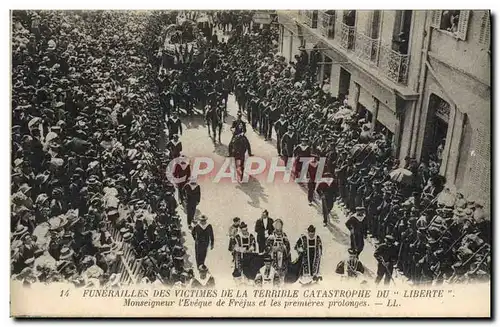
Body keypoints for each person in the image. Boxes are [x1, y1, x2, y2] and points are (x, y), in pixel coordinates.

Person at [265, 219, 290, 284]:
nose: (278, 227)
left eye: (280, 225)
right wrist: (274, 248)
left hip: (283, 260)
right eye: (277, 225)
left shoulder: (284, 236)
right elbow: (267, 248)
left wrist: (284, 248)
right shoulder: (271, 237)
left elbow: (288, 247)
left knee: (282, 278)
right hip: (274, 260)